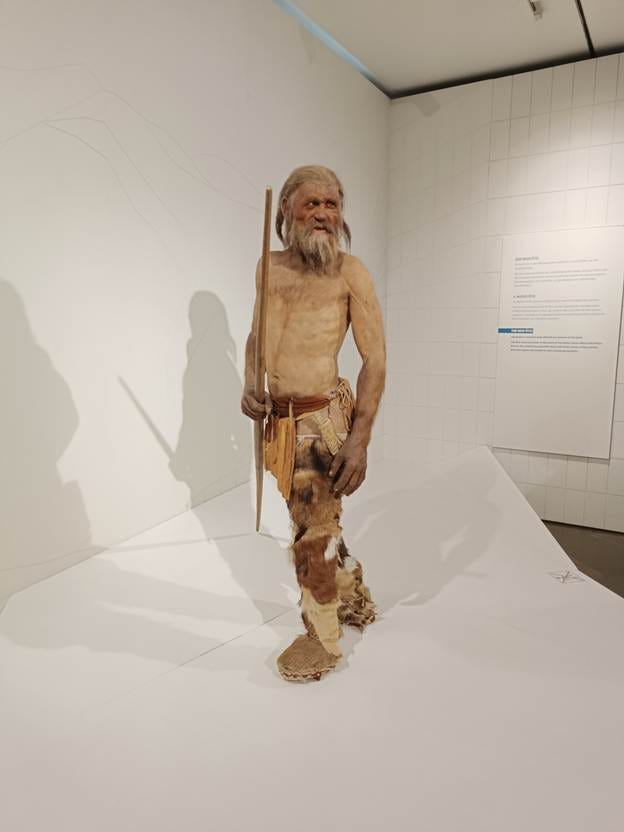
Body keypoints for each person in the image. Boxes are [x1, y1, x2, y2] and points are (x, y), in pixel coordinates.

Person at [241, 165, 386, 682]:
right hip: (279, 427)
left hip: (321, 424)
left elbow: (375, 361)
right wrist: (250, 384)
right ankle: (353, 595)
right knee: (317, 526)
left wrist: (360, 439)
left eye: (332, 204)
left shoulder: (351, 273)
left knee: (310, 537)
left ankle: (321, 638)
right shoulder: (269, 266)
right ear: (286, 209)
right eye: (312, 203)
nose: (324, 213)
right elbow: (257, 336)